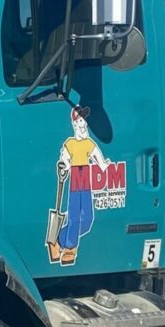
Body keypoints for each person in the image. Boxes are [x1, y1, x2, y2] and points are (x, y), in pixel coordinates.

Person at [48, 106, 110, 265]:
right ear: (74, 124)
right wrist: (63, 167)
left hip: (86, 181)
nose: (84, 124)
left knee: (87, 220)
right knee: (74, 217)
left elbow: (100, 161)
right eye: (80, 120)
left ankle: (58, 239)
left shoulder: (90, 143)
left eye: (84, 120)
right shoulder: (70, 144)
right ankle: (69, 249)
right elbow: (64, 161)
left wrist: (105, 165)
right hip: (76, 179)